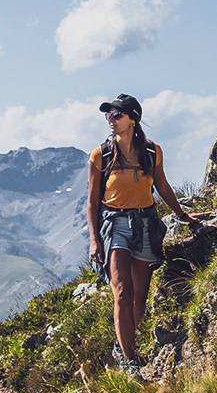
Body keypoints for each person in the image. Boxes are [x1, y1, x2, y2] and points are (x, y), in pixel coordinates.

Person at [87, 94, 203, 371]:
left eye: (117, 115)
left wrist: (182, 215)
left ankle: (121, 345)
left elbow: (162, 186)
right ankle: (130, 362)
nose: (111, 120)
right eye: (108, 115)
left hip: (146, 222)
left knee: (139, 300)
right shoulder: (100, 155)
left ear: (133, 119)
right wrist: (94, 240)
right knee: (122, 292)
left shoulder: (152, 151)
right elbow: (92, 202)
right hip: (114, 223)